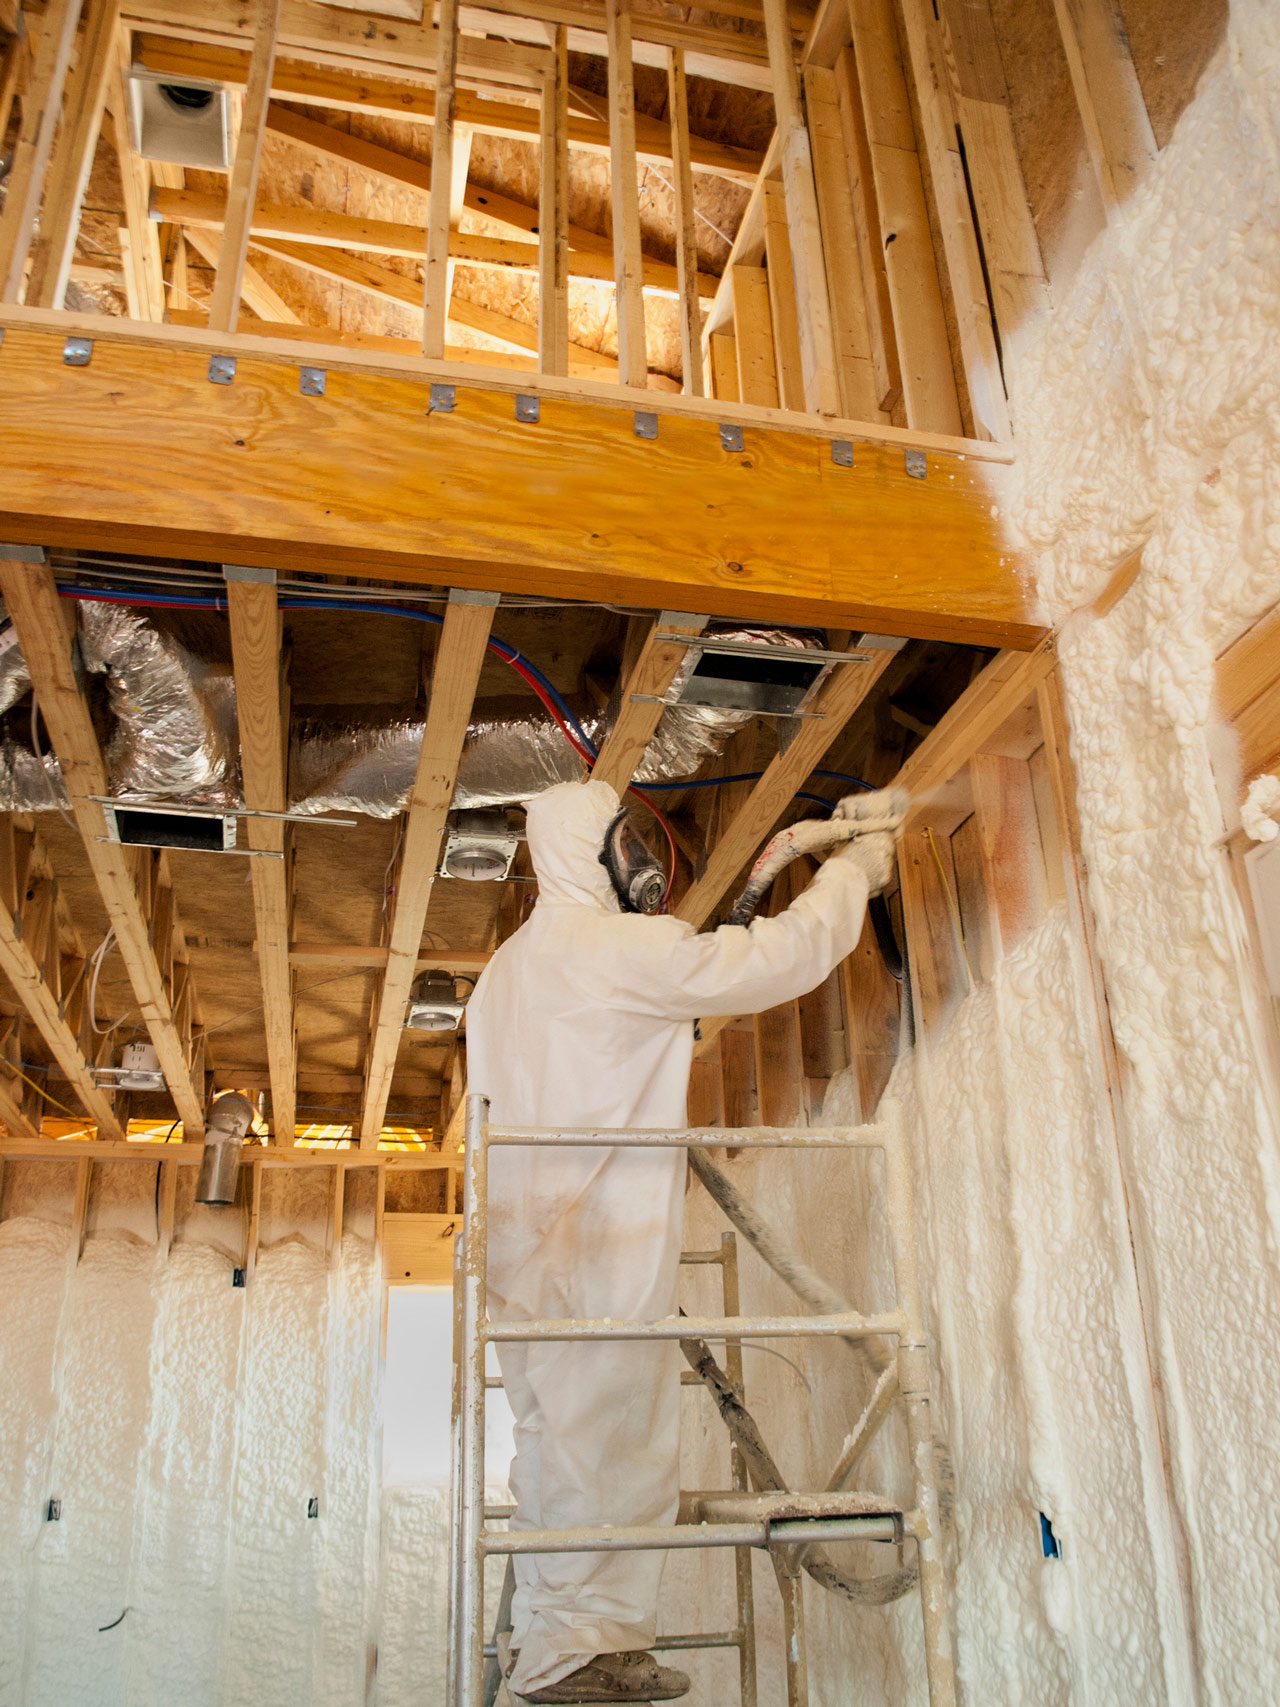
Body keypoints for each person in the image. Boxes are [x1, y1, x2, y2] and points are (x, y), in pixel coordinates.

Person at [465, 777, 905, 1704]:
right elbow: (770, 959)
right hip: (596, 1236)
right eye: (631, 844)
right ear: (602, 853)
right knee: (612, 1442)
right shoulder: (619, 949)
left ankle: (554, 1642)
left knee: (554, 1446)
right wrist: (852, 877)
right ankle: (582, 1652)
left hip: (514, 1246)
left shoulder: (507, 968)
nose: (645, 863)